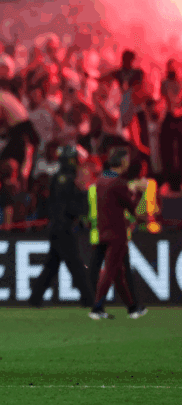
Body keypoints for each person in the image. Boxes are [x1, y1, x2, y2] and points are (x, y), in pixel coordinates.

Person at [28, 146, 94, 308]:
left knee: (51, 267)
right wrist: (84, 195)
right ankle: (89, 299)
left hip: (56, 227)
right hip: (65, 228)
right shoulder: (71, 180)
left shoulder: (57, 178)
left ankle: (35, 299)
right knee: (76, 266)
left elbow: (51, 203)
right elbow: (75, 207)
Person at [88, 148, 148, 320]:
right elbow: (135, 212)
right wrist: (142, 192)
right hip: (117, 233)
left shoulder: (101, 180)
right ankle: (97, 307)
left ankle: (132, 308)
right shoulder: (119, 183)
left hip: (102, 231)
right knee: (110, 271)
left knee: (118, 273)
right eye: (127, 160)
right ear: (123, 162)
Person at [0, 78, 39, 188]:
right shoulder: (8, 96)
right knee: (23, 169)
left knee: (8, 167)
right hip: (24, 133)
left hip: (22, 134)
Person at [159, 59, 182, 192]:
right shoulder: (165, 83)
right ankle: (169, 179)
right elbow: (166, 99)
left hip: (179, 118)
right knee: (167, 149)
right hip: (170, 117)